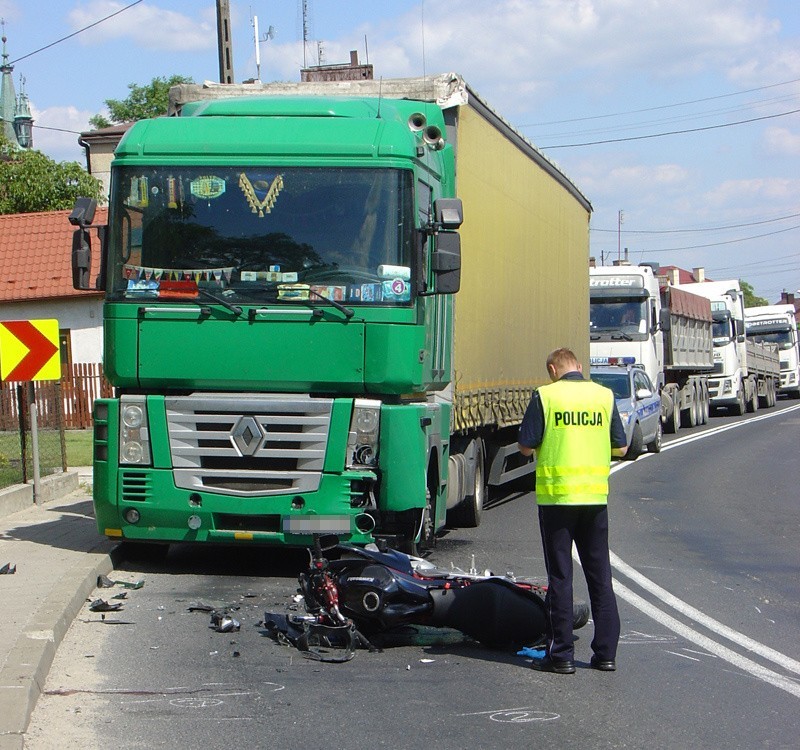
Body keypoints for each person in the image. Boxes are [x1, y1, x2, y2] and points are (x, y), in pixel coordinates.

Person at [518, 347, 628, 674]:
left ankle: (562, 655)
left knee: (561, 577)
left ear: (553, 369)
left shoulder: (546, 396)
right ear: (579, 366)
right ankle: (606, 654)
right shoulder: (604, 396)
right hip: (594, 500)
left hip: (557, 501)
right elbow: (621, 447)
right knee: (600, 576)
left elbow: (525, 446)